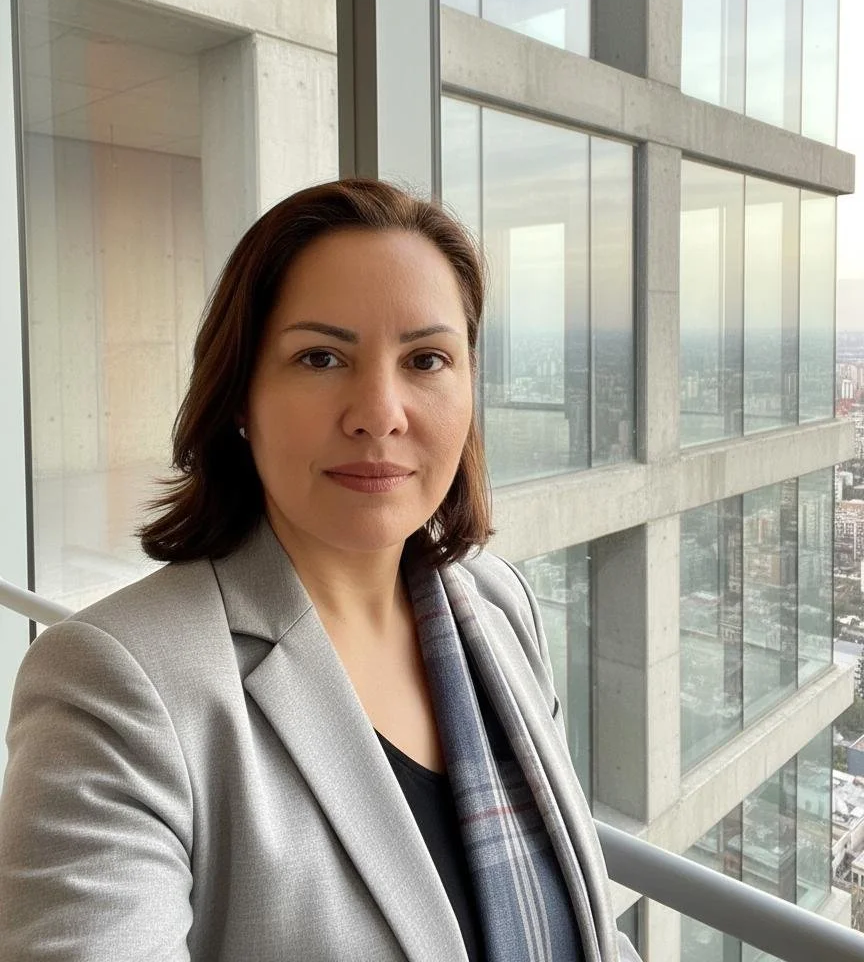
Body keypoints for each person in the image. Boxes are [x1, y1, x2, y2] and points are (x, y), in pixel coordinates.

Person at [0, 179, 641, 962]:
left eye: (427, 359)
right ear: (240, 395)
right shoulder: (116, 682)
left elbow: (583, 923)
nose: (378, 411)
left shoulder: (498, 605)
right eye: (321, 357)